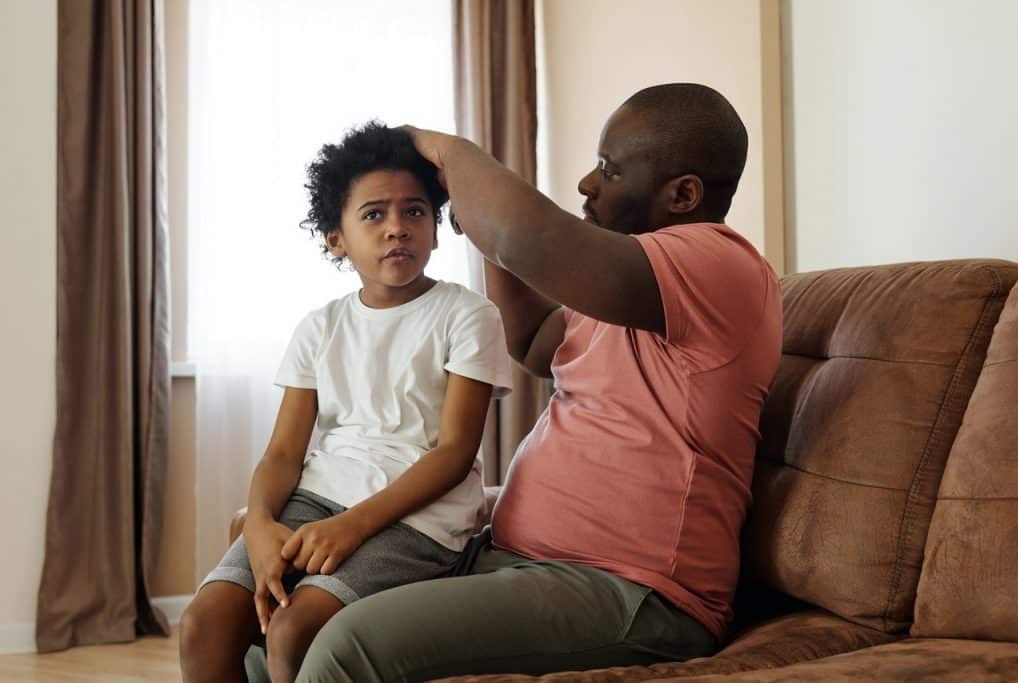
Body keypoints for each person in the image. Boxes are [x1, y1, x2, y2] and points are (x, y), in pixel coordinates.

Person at [269, 82, 783, 682]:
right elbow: (537, 342)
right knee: (277, 631)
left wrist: (441, 151)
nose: (587, 185)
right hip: (518, 562)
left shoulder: (716, 263)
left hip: (637, 593)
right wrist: (482, 233)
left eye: (609, 170)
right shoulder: (632, 283)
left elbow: (531, 238)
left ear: (683, 194)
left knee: (344, 646)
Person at [178, 122, 514, 683]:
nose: (396, 230)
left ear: (436, 228)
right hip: (319, 497)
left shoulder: (468, 316)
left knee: (294, 627)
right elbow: (284, 454)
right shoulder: (320, 327)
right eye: (374, 215)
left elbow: (454, 453)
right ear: (336, 239)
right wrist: (259, 523)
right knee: (201, 624)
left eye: (414, 213)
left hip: (417, 517)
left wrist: (352, 527)